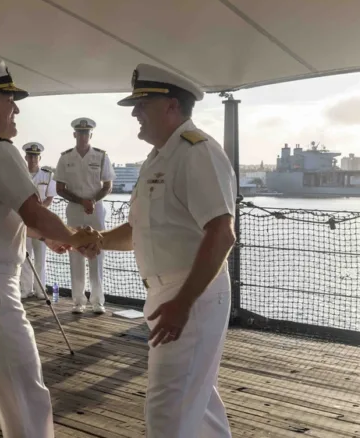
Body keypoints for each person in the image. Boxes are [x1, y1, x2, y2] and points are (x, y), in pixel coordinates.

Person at [0, 60, 101, 438]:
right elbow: (34, 212)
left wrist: (52, 236)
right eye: (9, 100)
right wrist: (75, 237)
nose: (16, 109)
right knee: (27, 395)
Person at [91, 63, 236, 437]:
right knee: (199, 407)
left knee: (167, 414)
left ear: (171, 106)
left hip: (192, 294)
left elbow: (221, 233)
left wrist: (183, 302)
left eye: (142, 104)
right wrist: (96, 240)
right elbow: (141, 231)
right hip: (166, 293)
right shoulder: (158, 159)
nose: (136, 113)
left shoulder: (197, 152)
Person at [54, 117, 115, 314]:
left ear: (91, 135)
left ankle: (98, 301)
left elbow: (108, 185)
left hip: (96, 209)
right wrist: (82, 201)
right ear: (74, 134)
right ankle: (78, 301)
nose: (82, 136)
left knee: (97, 252)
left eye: (86, 133)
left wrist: (92, 201)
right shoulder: (65, 158)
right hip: (74, 209)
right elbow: (60, 188)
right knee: (75, 253)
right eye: (79, 133)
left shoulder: (101, 156)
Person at [18, 141, 57, 299]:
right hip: (24, 220)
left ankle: (40, 290)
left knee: (41, 257)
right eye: (30, 156)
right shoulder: (19, 174)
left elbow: (49, 198)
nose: (33, 159)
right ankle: (25, 289)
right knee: (25, 256)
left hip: (41, 221)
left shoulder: (47, 175)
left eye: (35, 156)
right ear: (26, 157)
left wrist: (40, 211)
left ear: (39, 157)